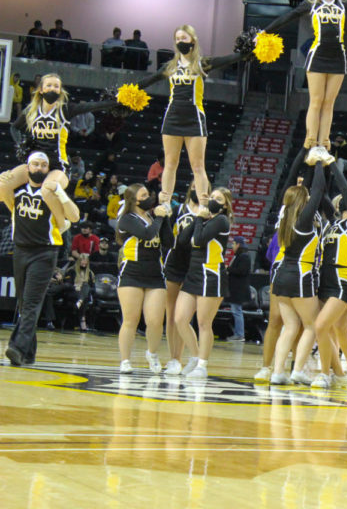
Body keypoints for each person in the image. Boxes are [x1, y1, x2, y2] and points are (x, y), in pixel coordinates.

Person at [259, 0, 347, 152]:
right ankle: (311, 140)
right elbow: (288, 16)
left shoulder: (343, 3)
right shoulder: (312, 3)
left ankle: (324, 143)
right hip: (318, 55)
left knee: (329, 103)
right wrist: (265, 31)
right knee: (316, 101)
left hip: (338, 56)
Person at [131, 25, 246, 207]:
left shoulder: (202, 64)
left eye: (183, 38)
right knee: (170, 164)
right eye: (177, 39)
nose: (180, 42)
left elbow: (230, 58)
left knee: (198, 166)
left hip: (194, 119)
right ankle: (166, 203)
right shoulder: (170, 66)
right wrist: (126, 92)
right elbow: (147, 81)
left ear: (193, 40)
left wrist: (250, 49)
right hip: (172, 118)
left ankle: (203, 204)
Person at [0, 74, 117, 225]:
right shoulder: (31, 111)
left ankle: (61, 224)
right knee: (3, 186)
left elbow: (92, 106)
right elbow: (14, 128)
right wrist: (22, 144)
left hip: (57, 166)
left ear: (60, 91)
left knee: (47, 190)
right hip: (35, 164)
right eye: (48, 85)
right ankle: (17, 217)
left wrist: (114, 101)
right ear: (41, 89)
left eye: (56, 86)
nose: (52, 89)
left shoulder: (65, 110)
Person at [1, 151, 79, 366]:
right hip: (21, 250)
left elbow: (74, 216)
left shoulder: (52, 194)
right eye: (35, 164)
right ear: (27, 168)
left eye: (43, 165)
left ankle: (16, 347)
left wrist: (62, 194)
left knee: (32, 303)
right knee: (24, 302)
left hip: (44, 252)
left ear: (48, 170)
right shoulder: (16, 193)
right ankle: (28, 354)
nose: (39, 168)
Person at [268, 159, 328, 385]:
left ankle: (277, 372)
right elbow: (319, 190)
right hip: (300, 276)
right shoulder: (303, 221)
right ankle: (298, 370)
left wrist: (308, 166)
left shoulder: (284, 219)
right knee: (312, 325)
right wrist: (320, 162)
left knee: (291, 326)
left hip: (281, 276)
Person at [312, 161, 347, 388]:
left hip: (342, 282)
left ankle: (327, 373)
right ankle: (340, 373)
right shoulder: (334, 223)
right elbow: (319, 193)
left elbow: (344, 189)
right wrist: (317, 164)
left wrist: (333, 165)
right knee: (335, 328)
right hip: (324, 280)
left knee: (320, 326)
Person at [174, 187, 234, 379]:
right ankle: (193, 356)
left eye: (218, 198)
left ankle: (202, 365)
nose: (213, 200)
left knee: (203, 323)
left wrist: (199, 218)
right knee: (180, 319)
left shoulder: (221, 220)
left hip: (211, 275)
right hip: (193, 274)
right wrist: (196, 218)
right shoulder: (202, 219)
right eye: (212, 196)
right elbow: (183, 240)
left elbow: (199, 240)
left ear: (225, 205)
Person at [115, 184, 172, 373]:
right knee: (130, 320)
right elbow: (146, 233)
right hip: (132, 273)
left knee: (155, 321)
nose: (150, 197)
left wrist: (166, 217)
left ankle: (152, 354)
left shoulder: (152, 217)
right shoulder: (127, 219)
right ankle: (125, 360)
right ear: (134, 200)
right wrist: (159, 217)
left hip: (155, 275)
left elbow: (169, 242)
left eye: (149, 193)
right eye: (144, 195)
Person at [226, 235, 252, 342]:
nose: (232, 246)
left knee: (237, 311)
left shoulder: (244, 257)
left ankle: (239, 334)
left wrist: (229, 268)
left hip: (239, 290)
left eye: (233, 244)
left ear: (238, 244)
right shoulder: (239, 256)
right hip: (235, 289)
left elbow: (242, 271)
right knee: (236, 310)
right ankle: (238, 334)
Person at [64, 255, 94, 332]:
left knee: (86, 286)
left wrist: (83, 287)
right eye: (82, 260)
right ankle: (83, 321)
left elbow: (93, 288)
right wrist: (76, 287)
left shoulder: (90, 273)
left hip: (84, 293)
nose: (84, 262)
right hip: (73, 292)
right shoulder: (71, 270)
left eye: (85, 261)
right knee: (85, 298)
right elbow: (67, 284)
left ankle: (80, 300)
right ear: (78, 261)